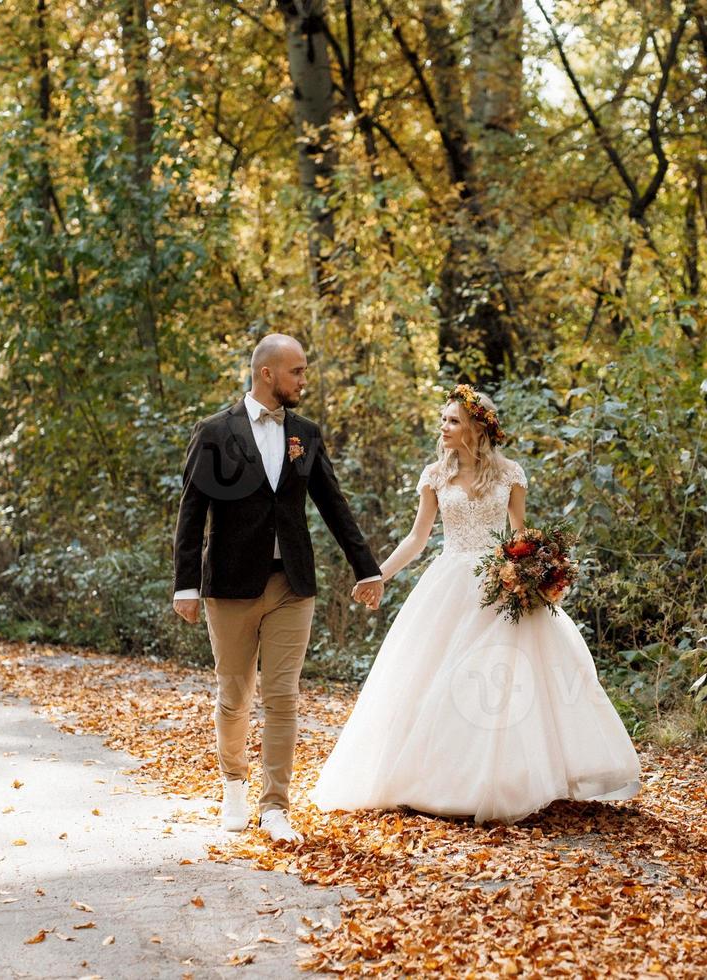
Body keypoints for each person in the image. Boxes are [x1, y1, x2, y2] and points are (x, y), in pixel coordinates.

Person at [308, 384, 642, 824]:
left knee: (504, 684)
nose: (443, 428)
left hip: (500, 584)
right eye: (443, 419)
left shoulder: (510, 475)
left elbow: (520, 535)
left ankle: (509, 780)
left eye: (452, 421)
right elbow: (417, 538)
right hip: (448, 584)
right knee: (438, 678)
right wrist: (377, 574)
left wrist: (535, 574)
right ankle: (437, 780)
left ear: (476, 428)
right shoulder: (435, 475)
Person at [171, 333, 384, 847]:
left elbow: (333, 504)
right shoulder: (215, 432)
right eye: (297, 372)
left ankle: (275, 806)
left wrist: (367, 568)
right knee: (235, 694)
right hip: (230, 585)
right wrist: (185, 584)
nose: (303, 381)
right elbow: (192, 509)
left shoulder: (305, 435)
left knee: (283, 696)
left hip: (292, 583)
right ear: (267, 373)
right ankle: (233, 785)